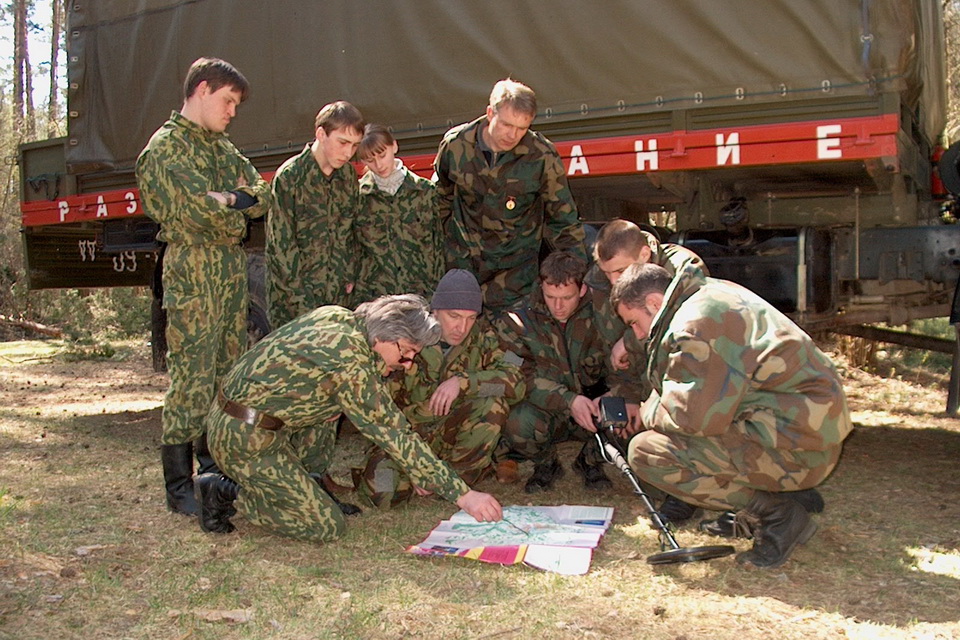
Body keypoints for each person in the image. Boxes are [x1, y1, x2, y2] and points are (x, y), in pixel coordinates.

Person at [195, 294, 503, 541]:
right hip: (245, 436)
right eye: (407, 352)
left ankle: (313, 485)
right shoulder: (349, 360)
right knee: (325, 526)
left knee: (332, 408)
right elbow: (394, 433)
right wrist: (463, 495)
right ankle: (224, 491)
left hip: (254, 417)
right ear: (387, 336)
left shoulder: (342, 318)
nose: (408, 364)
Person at [611, 262, 853, 568]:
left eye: (634, 323)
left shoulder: (694, 326)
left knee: (649, 452)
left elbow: (693, 420)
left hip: (800, 453)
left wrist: (648, 409)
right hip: (805, 437)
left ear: (655, 303)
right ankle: (784, 496)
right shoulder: (710, 294)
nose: (638, 333)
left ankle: (779, 514)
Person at [136, 57, 273, 516]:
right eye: (228, 101)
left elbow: (261, 195)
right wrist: (230, 202)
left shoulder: (223, 149)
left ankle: (215, 470)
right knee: (191, 378)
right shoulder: (164, 150)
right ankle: (179, 485)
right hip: (192, 270)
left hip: (230, 270)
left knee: (226, 375)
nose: (233, 111)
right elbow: (187, 213)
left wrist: (228, 198)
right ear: (201, 89)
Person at [354, 269, 525, 508]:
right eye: (454, 316)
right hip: (405, 438)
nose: (462, 327)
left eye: (471, 318)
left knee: (492, 403)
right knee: (382, 495)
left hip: (451, 435)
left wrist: (464, 382)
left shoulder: (486, 337)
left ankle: (457, 479)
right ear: (435, 311)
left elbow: (516, 382)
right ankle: (430, 477)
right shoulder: (404, 337)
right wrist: (415, 466)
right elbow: (379, 412)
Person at [433, 78, 587, 315]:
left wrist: (577, 275)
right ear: (489, 113)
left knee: (511, 350)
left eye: (522, 128)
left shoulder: (541, 156)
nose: (513, 135)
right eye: (506, 124)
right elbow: (439, 201)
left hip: (515, 278)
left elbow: (563, 220)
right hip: (464, 271)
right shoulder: (456, 145)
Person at [495, 251, 611, 493]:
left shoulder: (605, 314)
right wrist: (569, 400)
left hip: (593, 410)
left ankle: (590, 460)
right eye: (550, 296)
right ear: (541, 287)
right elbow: (518, 376)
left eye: (566, 297)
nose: (558, 306)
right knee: (517, 422)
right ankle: (546, 464)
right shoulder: (516, 320)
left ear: (582, 290)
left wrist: (606, 398)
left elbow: (625, 369)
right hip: (547, 411)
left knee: (624, 414)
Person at [267, 101, 365, 329]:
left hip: (337, 301)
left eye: (354, 146)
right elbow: (281, 247)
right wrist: (303, 306)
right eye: (342, 142)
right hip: (294, 306)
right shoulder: (291, 177)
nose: (348, 153)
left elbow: (351, 233)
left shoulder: (347, 177)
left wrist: (349, 280)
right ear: (321, 134)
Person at [353, 124, 444, 303]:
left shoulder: (425, 192)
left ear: (394, 146)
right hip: (377, 298)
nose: (378, 165)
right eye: (369, 160)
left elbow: (438, 244)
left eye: (382, 155)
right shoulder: (358, 199)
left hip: (420, 294)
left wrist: (437, 289)